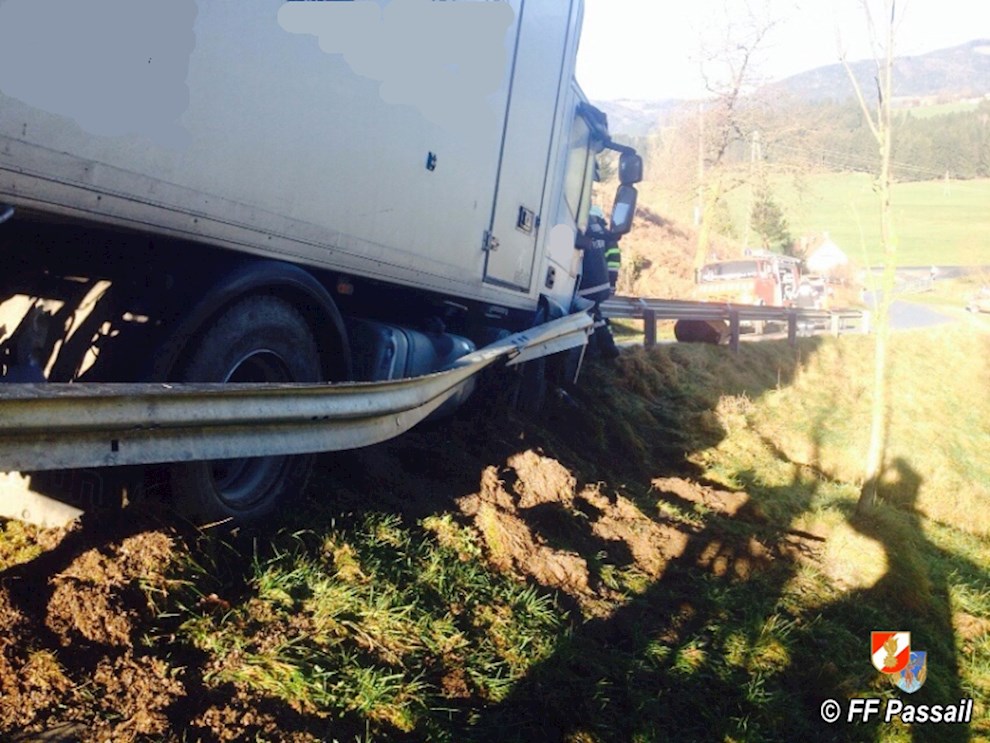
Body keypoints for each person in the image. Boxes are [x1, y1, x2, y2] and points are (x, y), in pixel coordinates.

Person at [576, 206, 620, 359]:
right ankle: (609, 350)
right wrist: (611, 284)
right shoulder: (601, 231)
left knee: (586, 317)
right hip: (602, 283)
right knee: (596, 316)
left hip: (587, 284)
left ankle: (592, 354)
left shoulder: (585, 227)